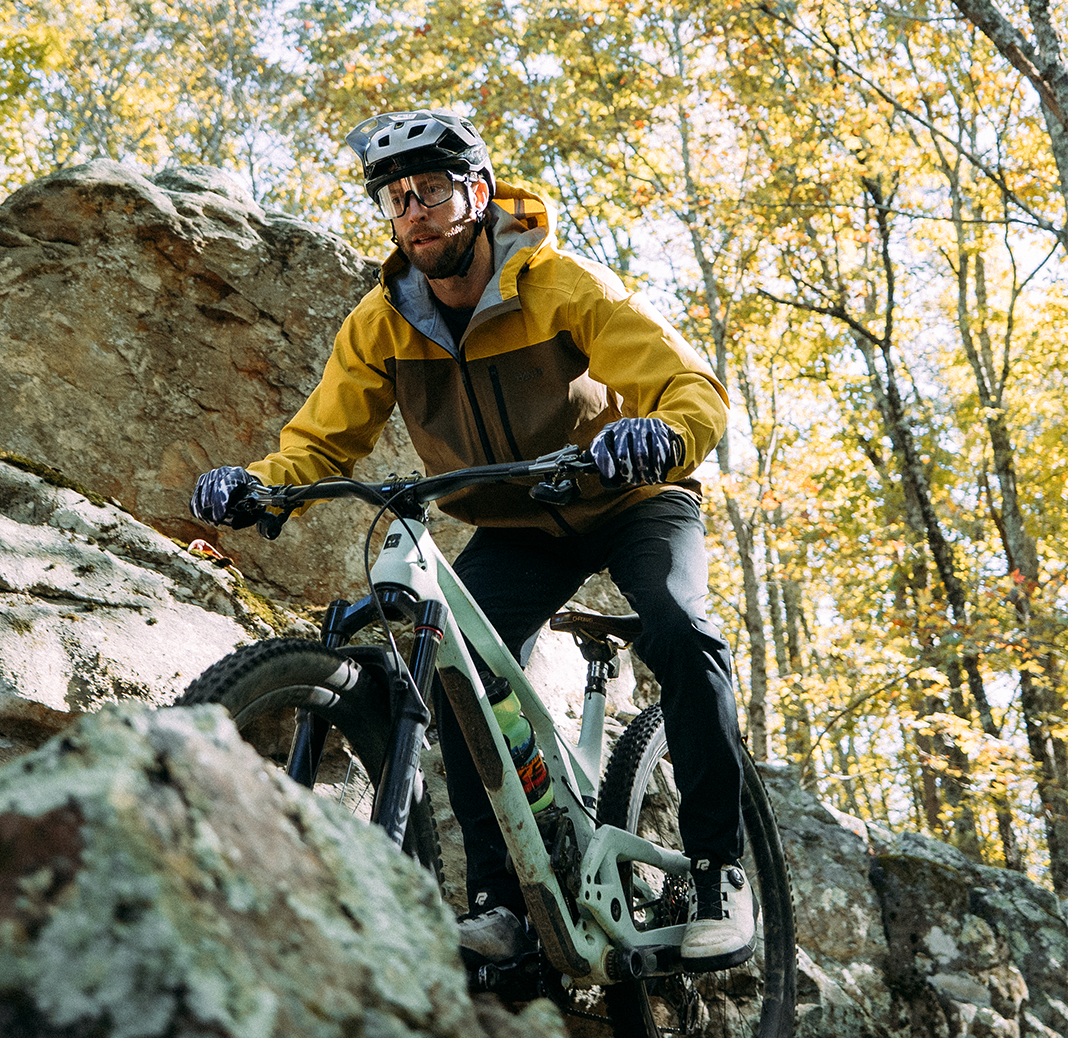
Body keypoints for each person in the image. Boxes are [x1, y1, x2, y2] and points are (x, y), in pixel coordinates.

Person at [190, 109, 755, 970]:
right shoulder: (382, 322)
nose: (412, 210)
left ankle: (720, 873)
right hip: (516, 521)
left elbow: (690, 386)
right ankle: (507, 906)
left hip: (632, 496)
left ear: (479, 195)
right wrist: (261, 488)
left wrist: (662, 434)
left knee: (683, 631)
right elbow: (320, 442)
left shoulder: (563, 284)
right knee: (452, 667)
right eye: (396, 197)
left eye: (432, 191)